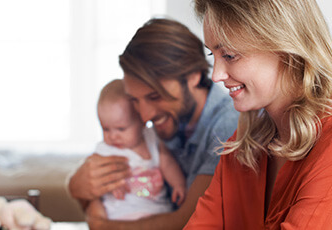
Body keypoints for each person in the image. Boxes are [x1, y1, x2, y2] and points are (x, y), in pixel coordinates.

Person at [185, 0, 332, 229]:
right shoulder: (243, 149)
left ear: (286, 48)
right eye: (213, 55)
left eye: (229, 56)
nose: (217, 75)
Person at [67, 18, 239, 229]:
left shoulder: (228, 127)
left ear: (193, 76)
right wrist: (79, 188)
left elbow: (187, 221)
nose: (145, 116)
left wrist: (106, 226)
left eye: (155, 96)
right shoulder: (161, 125)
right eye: (135, 100)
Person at [93, 79, 186, 221]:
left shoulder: (152, 138)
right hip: (122, 214)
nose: (112, 136)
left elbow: (167, 163)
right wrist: (110, 185)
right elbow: (96, 177)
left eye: (121, 129)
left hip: (158, 210)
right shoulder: (105, 150)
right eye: (105, 129)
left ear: (142, 120)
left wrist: (178, 184)